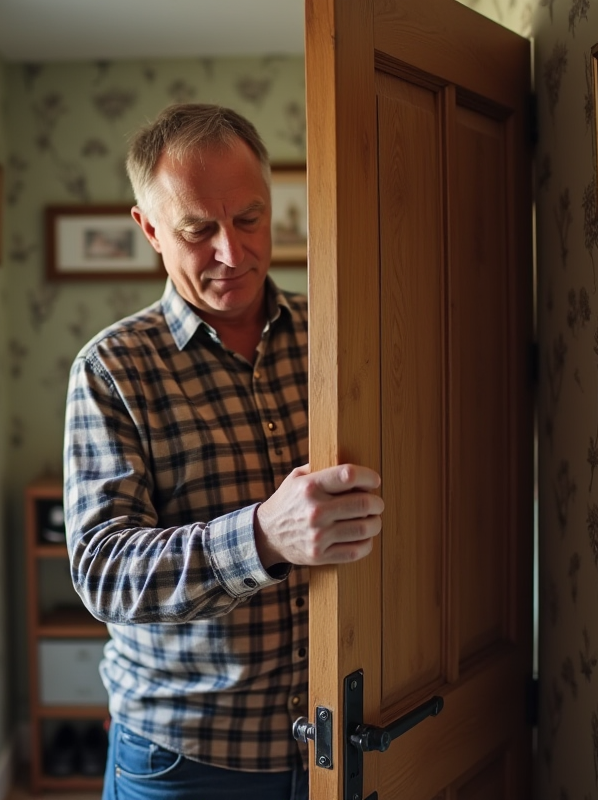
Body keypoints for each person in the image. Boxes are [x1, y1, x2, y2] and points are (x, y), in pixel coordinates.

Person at [63, 103, 385, 800]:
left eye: (249, 219)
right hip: (188, 757)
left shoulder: (339, 335)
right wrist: (263, 536)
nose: (232, 254)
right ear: (149, 229)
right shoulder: (112, 369)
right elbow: (102, 574)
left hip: (346, 736)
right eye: (198, 230)